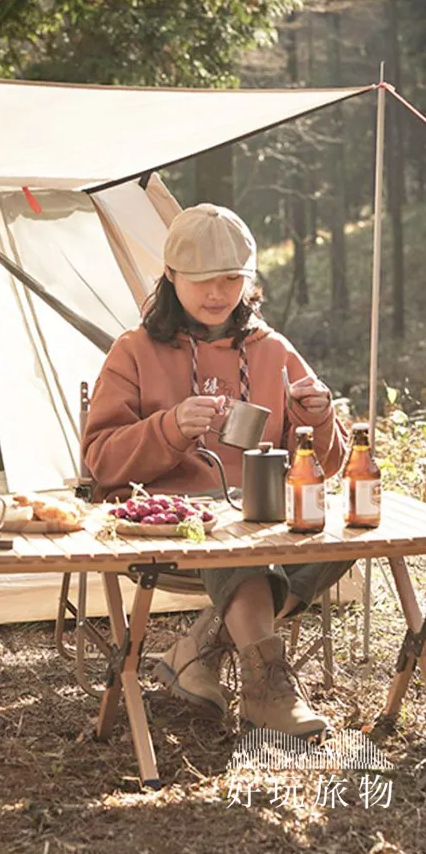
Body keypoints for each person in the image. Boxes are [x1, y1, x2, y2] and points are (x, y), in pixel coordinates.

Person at [81, 203, 350, 738]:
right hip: (167, 526)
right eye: (200, 280)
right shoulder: (134, 351)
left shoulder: (272, 350)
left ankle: (199, 648)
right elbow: (101, 461)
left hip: (261, 519)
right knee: (230, 537)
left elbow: (336, 463)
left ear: (248, 281)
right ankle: (267, 690)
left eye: (231, 279)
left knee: (342, 538)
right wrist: (170, 428)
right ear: (171, 277)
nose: (215, 294)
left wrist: (320, 421)